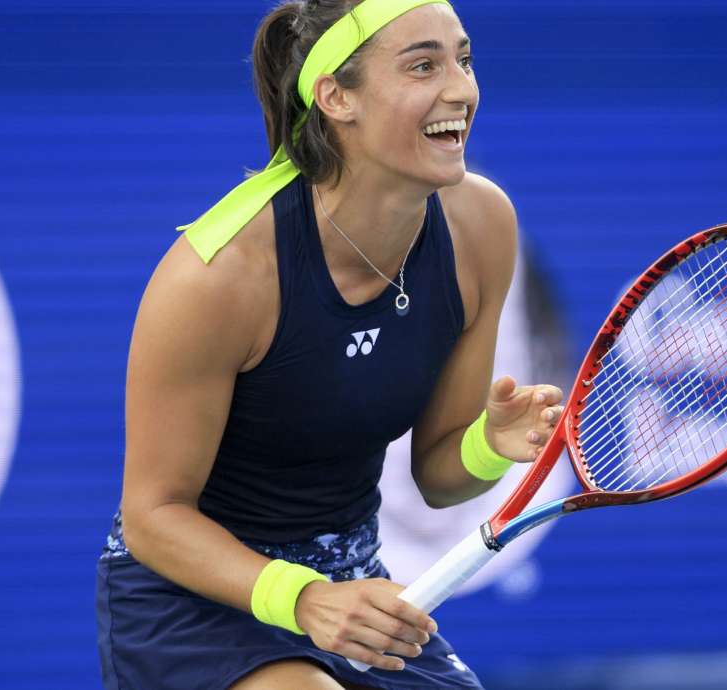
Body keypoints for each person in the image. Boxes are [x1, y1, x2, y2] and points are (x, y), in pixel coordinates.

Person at [95, 1, 563, 688]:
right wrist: (304, 599)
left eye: (462, 59)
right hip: (190, 599)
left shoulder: (481, 226)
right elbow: (153, 517)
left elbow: (438, 475)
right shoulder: (220, 276)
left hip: (350, 585)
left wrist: (489, 444)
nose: (461, 88)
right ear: (337, 97)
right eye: (423, 65)